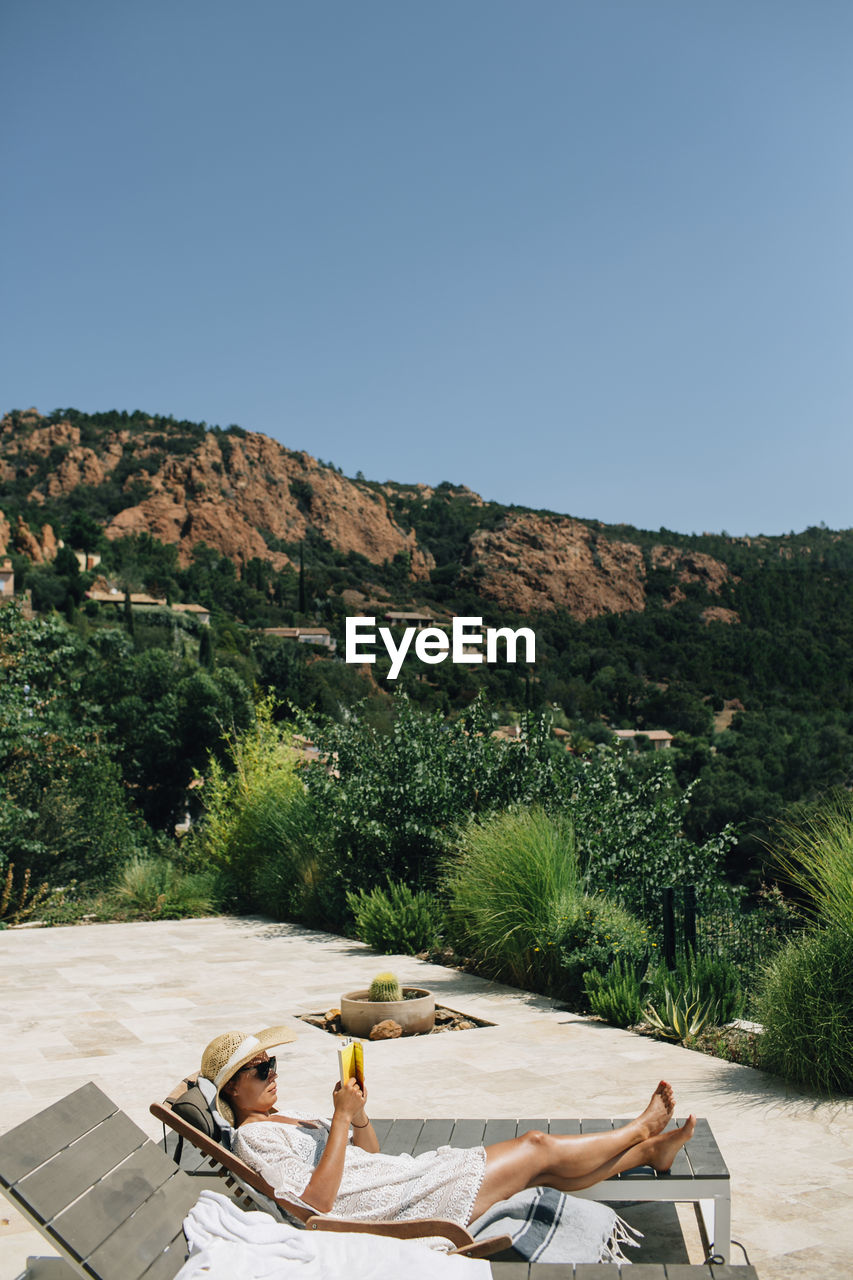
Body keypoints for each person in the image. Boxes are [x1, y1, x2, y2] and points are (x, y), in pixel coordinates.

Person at [200, 1026, 695, 1230]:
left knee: (542, 1169)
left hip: (394, 1176)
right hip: (395, 1204)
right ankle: (639, 1131)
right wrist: (342, 1119)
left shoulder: (288, 1120)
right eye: (261, 1070)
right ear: (232, 1091)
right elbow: (313, 1206)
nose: (273, 1074)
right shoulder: (252, 1137)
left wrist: (359, 1115)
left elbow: (369, 1153)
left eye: (272, 1065)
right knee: (537, 1147)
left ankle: (650, 1154)